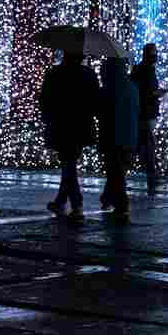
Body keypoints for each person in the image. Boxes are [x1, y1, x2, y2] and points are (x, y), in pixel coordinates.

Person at [39, 52, 100, 224]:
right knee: (69, 162)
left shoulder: (54, 73)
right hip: (81, 125)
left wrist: (49, 118)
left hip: (61, 124)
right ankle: (61, 201)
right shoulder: (88, 74)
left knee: (68, 163)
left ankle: (77, 206)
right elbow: (96, 100)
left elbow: (44, 100)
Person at [97, 55, 140, 222]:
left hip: (113, 136)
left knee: (116, 171)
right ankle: (108, 197)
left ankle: (121, 203)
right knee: (118, 170)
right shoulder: (132, 87)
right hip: (129, 136)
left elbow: (100, 110)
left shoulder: (109, 88)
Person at [130, 43, 163, 190]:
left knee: (143, 145)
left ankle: (151, 174)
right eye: (154, 53)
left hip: (142, 113)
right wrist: (158, 93)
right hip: (146, 114)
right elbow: (147, 93)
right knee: (148, 145)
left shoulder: (139, 69)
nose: (155, 56)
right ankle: (152, 175)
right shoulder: (146, 71)